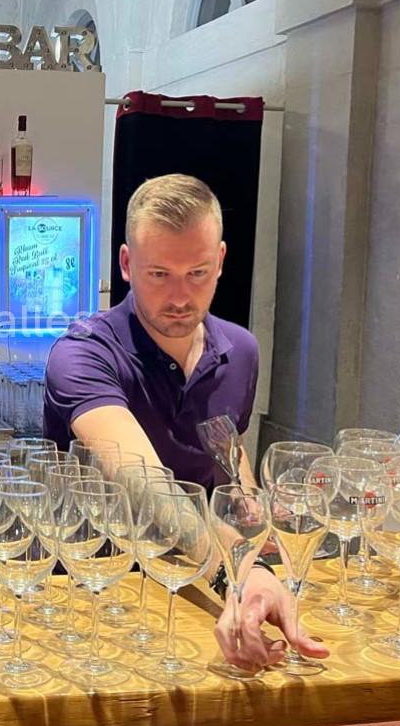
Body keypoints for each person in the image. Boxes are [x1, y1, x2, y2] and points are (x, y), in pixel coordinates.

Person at [43, 173, 328, 673]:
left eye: (197, 273)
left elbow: (227, 462)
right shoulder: (83, 353)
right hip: (94, 596)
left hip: (195, 593)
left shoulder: (240, 351)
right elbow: (140, 481)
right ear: (127, 265)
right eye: (159, 274)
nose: (179, 296)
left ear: (220, 261)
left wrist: (257, 567)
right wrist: (239, 575)